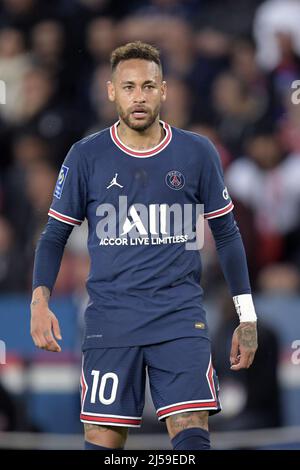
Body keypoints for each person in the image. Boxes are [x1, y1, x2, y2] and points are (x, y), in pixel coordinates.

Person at [30, 41, 258, 451]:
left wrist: (247, 316)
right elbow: (53, 236)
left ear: (164, 90)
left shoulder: (196, 152)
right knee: (103, 440)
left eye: (149, 86)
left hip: (179, 318)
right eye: (130, 86)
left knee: (191, 432)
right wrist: (39, 301)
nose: (140, 96)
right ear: (111, 91)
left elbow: (227, 234)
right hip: (111, 322)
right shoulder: (86, 156)